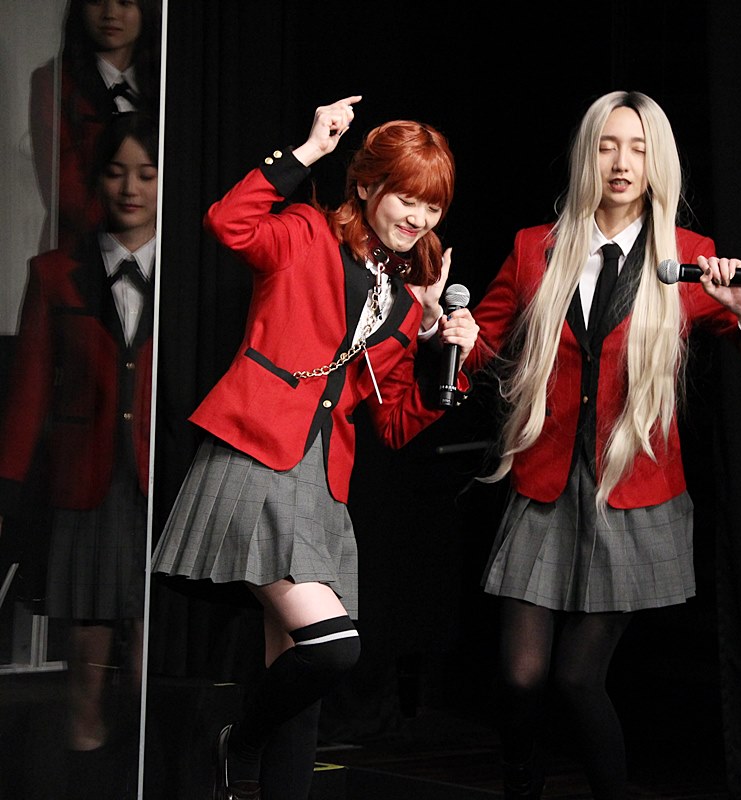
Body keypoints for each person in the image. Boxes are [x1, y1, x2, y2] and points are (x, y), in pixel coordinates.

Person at [468, 91, 741, 799]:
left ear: (658, 163)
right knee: (520, 676)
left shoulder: (689, 259)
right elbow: (483, 348)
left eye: (639, 148)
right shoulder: (536, 248)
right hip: (545, 482)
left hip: (631, 493)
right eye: (608, 145)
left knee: (577, 677)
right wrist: (454, 336)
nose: (622, 162)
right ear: (587, 155)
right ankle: (519, 784)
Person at [149, 96, 478, 800]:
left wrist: (447, 356)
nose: (418, 219)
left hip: (321, 483)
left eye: (433, 207)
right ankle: (237, 739)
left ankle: (259, 761)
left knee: (301, 689)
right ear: (367, 184)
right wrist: (307, 151)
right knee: (332, 649)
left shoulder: (405, 303)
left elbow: (393, 423)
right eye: (407, 198)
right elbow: (227, 223)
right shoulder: (305, 232)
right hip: (252, 455)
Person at [0, 110, 159, 796]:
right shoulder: (55, 272)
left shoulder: (186, 270)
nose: (131, 188)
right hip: (85, 481)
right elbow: (28, 393)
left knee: (152, 643)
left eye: (146, 173)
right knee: (86, 656)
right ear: (97, 180)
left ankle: (147, 768)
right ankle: (84, 771)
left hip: (160, 476)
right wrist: (9, 493)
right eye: (117, 172)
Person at [30, 0, 161, 254]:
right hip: (79, 249)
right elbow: (63, 189)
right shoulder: (53, 82)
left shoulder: (164, 82)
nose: (110, 14)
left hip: (156, 248)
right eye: (96, 1)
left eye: (124, 2)